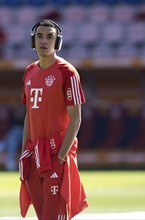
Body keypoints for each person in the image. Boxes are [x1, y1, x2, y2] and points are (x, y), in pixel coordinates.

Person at [19, 20, 88, 220]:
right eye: (40, 36)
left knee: (55, 215)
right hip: (34, 153)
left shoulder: (67, 72)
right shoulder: (29, 71)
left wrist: (60, 157)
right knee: (43, 216)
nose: (44, 41)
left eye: (50, 36)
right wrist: (24, 150)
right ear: (33, 40)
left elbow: (76, 119)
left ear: (57, 42)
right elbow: (29, 115)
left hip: (57, 152)